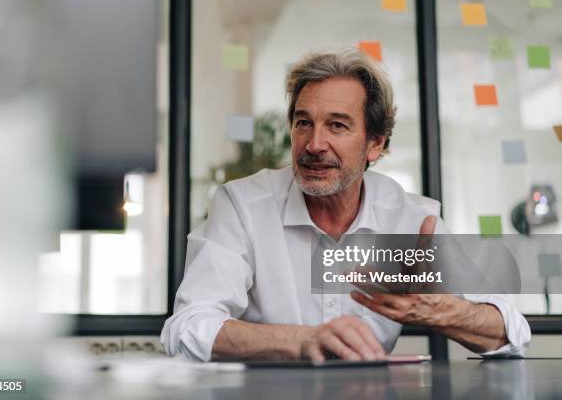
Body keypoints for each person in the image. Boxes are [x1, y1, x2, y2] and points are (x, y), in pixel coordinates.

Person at [161, 48, 531, 361]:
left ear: (375, 145)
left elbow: (512, 332)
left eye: (337, 126)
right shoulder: (243, 205)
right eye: (303, 122)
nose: (314, 143)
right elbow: (187, 327)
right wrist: (302, 341)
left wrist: (443, 311)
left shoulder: (411, 219)